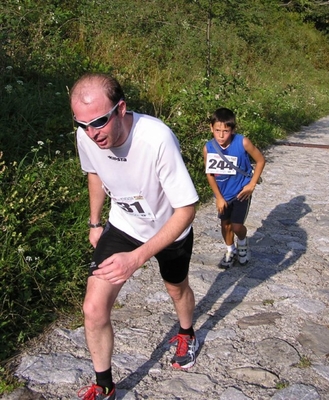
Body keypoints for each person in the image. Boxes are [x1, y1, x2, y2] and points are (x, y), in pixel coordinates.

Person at [70, 73, 200, 400]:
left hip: (169, 229)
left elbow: (187, 208)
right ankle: (104, 385)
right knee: (93, 307)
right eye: (82, 123)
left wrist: (138, 258)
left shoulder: (157, 138)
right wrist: (95, 222)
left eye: (99, 122)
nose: (91, 132)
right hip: (124, 225)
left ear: (121, 109)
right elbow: (95, 173)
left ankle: (186, 332)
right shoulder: (86, 135)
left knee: (176, 288)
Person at [203, 108, 265, 269]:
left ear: (233, 130)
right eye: (217, 130)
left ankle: (243, 244)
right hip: (223, 194)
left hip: (241, 192)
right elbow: (210, 174)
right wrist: (218, 197)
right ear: (211, 128)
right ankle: (230, 250)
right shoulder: (208, 148)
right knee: (225, 225)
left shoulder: (242, 142)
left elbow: (260, 160)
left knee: (237, 226)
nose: (221, 135)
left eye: (226, 131)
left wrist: (251, 184)